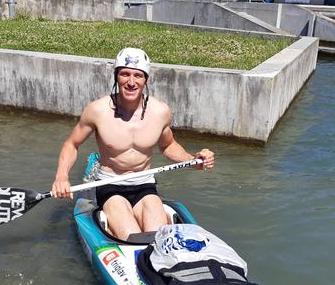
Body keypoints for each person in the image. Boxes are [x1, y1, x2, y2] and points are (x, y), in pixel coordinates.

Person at [51, 47, 215, 240]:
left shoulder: (160, 112)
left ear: (146, 80)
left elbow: (168, 145)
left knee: (158, 237)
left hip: (145, 185)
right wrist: (62, 177)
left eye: (138, 75)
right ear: (116, 77)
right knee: (131, 235)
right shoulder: (97, 111)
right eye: (125, 74)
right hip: (110, 186)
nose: (131, 82)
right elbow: (71, 144)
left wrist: (192, 159)